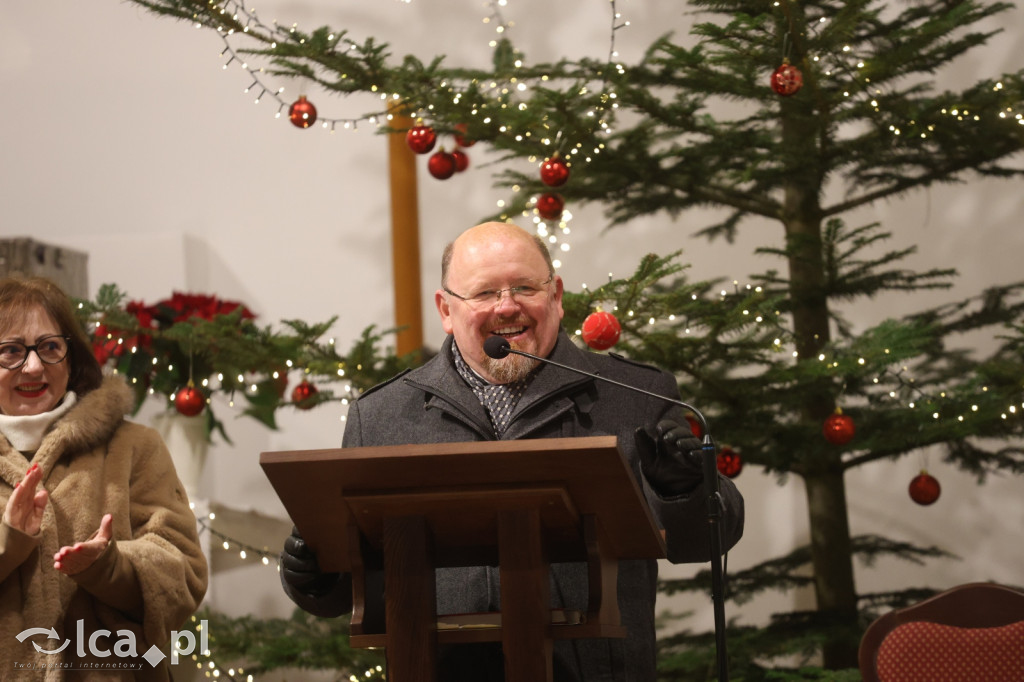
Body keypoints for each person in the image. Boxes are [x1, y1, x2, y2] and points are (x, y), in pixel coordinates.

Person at [281, 222, 744, 681]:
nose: (507, 307)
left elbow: (703, 539)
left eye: (524, 287)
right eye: (484, 293)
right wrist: (312, 573)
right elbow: (345, 589)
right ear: (446, 309)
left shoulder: (634, 395)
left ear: (556, 297)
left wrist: (684, 491)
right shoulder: (381, 416)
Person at [0, 276, 208, 680]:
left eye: (49, 347)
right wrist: (10, 545)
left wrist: (110, 567)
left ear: (72, 358)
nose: (33, 366)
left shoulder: (134, 446)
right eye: (10, 351)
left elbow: (185, 575)